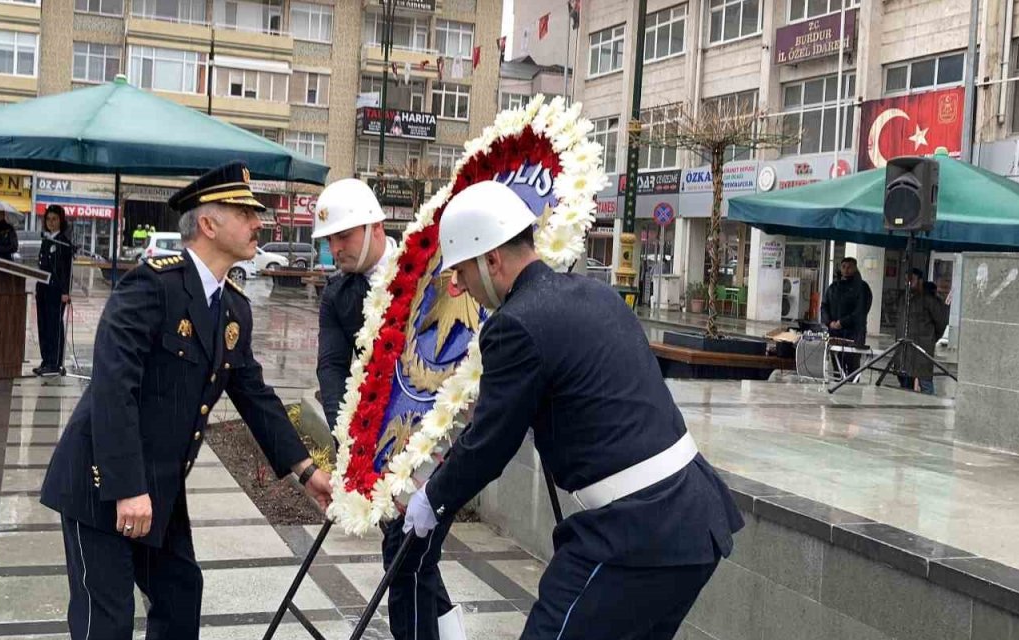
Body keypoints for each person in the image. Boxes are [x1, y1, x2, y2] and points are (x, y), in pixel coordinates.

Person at [402, 181, 743, 640]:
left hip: (636, 532)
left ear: (493, 260)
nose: (458, 285)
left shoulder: (515, 324)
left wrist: (434, 499)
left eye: (461, 270)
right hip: (693, 517)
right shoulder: (594, 293)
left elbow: (490, 443)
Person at [39, 162, 332, 640]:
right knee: (105, 623)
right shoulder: (151, 286)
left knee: (180, 596)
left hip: (160, 488)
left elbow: (254, 394)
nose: (259, 222)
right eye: (245, 212)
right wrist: (127, 487)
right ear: (208, 224)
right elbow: (114, 387)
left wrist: (306, 470)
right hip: (103, 483)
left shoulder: (233, 306)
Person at [311, 178, 464, 640]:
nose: (335, 248)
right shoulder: (337, 298)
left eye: (344, 236)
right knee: (412, 557)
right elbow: (332, 367)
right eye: (329, 240)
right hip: (382, 448)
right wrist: (354, 437)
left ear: (375, 227)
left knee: (405, 558)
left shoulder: (426, 270)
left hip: (441, 439)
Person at [34, 205, 74, 377]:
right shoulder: (46, 240)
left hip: (57, 290)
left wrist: (65, 291)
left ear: (61, 221)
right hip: (43, 288)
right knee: (43, 324)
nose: (51, 222)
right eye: (48, 219)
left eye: (55, 219)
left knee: (54, 325)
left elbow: (67, 270)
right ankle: (46, 359)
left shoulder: (63, 243)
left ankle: (54, 362)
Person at [897, 268, 948, 395]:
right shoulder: (904, 298)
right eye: (906, 280)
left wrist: (930, 339)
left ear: (920, 281)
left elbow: (941, 322)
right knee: (904, 383)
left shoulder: (930, 300)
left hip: (922, 348)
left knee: (925, 382)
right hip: (904, 349)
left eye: (911, 280)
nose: (908, 283)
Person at [821, 257, 873, 345]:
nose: (846, 270)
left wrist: (842, 322)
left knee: (851, 357)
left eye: (849, 267)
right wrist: (829, 322)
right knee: (834, 358)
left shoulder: (862, 287)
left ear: (855, 268)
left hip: (854, 333)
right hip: (834, 332)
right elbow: (824, 306)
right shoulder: (833, 287)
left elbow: (861, 310)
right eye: (843, 267)